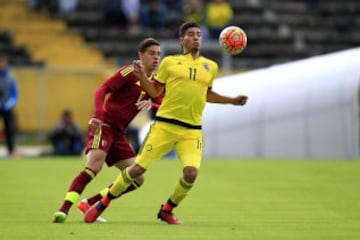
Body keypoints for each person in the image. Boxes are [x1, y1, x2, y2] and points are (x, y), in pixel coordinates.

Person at [84, 22, 248, 224]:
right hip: (165, 126)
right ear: (182, 40)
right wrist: (142, 75)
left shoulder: (210, 67)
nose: (196, 37)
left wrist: (231, 100)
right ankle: (102, 204)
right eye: (191, 34)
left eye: (198, 34)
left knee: (191, 173)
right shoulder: (170, 62)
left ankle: (167, 210)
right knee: (136, 170)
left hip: (192, 130)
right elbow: (154, 92)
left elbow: (207, 94)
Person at [52, 38, 162, 223]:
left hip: (119, 134)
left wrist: (153, 102)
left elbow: (162, 101)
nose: (156, 58)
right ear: (141, 55)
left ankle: (90, 203)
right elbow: (102, 89)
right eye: (152, 53)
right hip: (104, 126)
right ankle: (63, 210)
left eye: (158, 54)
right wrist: (98, 115)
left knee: (137, 178)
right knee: (94, 166)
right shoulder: (129, 72)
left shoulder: (155, 83)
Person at [0, 55, 18, 157]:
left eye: (2, 62)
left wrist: (9, 103)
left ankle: (10, 150)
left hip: (7, 108)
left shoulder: (10, 77)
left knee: (9, 129)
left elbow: (14, 94)